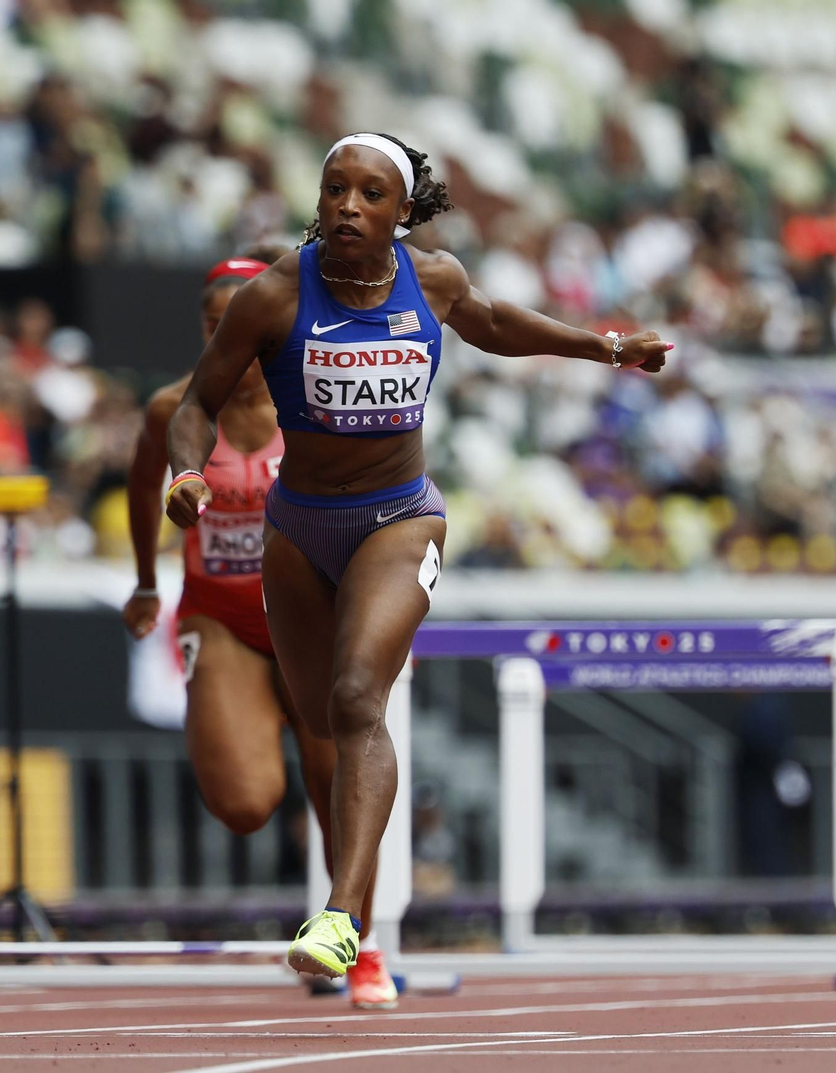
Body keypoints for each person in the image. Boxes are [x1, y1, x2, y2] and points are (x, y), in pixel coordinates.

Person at [163, 132, 671, 980]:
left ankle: (341, 919)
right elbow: (195, 405)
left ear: (402, 211)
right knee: (323, 725)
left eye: (368, 194)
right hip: (295, 529)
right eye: (334, 191)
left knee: (360, 697)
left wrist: (608, 347)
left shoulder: (430, 277)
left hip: (398, 518)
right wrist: (186, 472)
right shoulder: (277, 295)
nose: (348, 207)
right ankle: (339, 889)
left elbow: (499, 325)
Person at [125, 248, 398, 1009]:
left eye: (239, 328)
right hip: (223, 615)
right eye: (214, 330)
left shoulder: (316, 399)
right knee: (245, 804)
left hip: (312, 612)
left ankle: (361, 944)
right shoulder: (174, 406)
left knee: (331, 777)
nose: (229, 345)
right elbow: (143, 479)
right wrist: (148, 579)